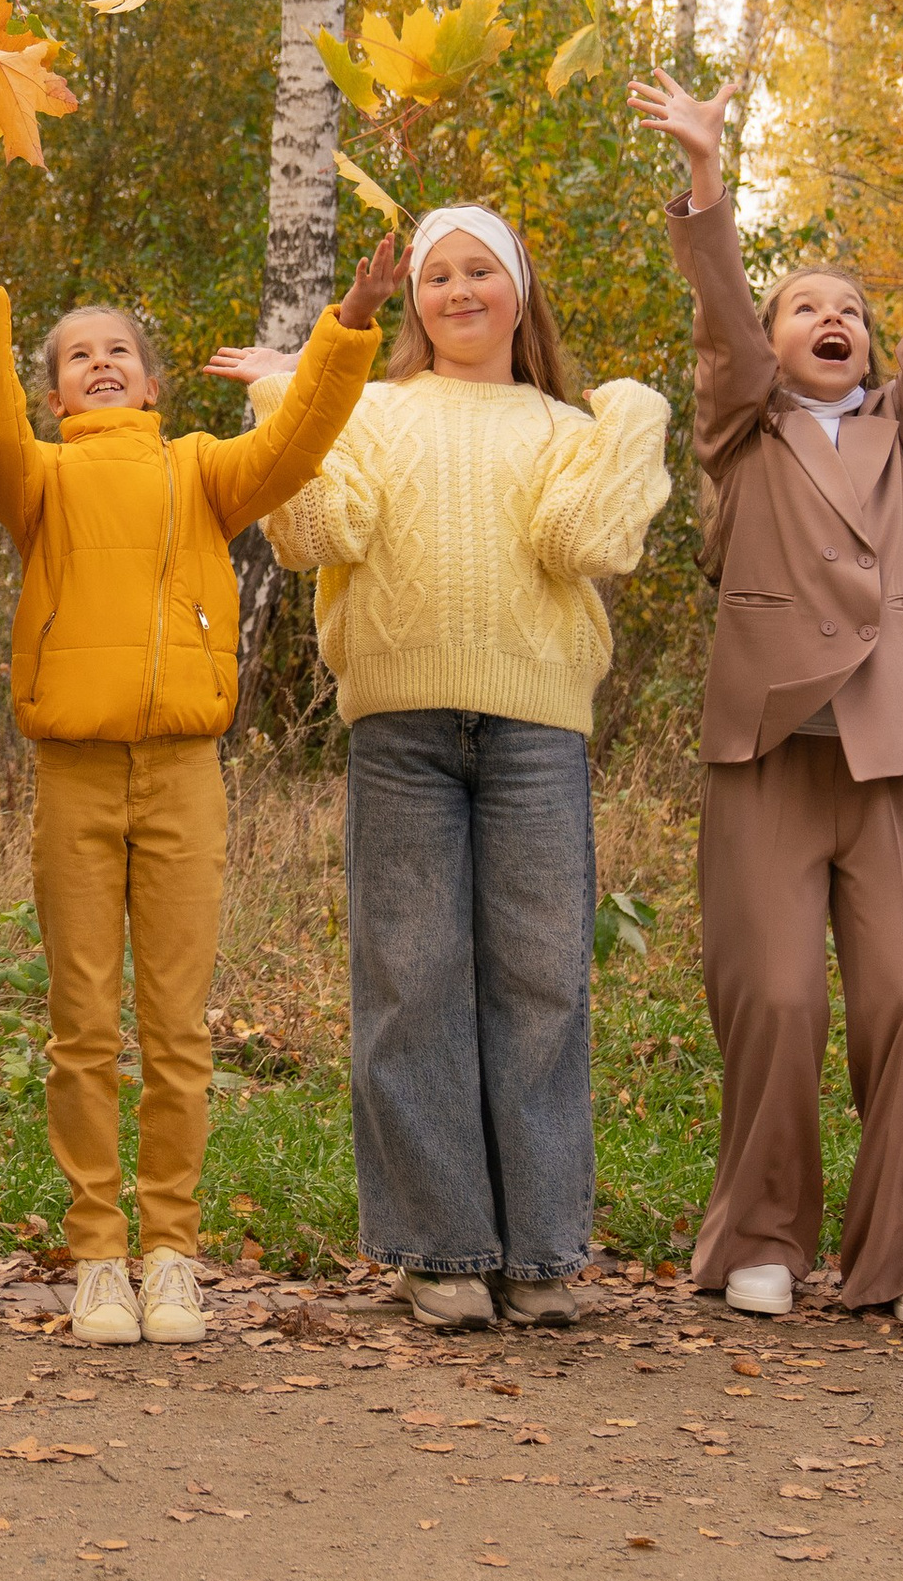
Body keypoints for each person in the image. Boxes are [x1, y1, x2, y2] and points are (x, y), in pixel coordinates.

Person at [221, 205, 670, 1329]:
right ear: (413, 299)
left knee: (540, 981)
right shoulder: (369, 413)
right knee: (409, 980)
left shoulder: (567, 426)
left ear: (520, 289)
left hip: (534, 732)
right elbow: (318, 534)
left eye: (481, 270)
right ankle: (441, 1250)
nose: (457, 291)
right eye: (436, 275)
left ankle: (543, 1253)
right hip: (401, 732)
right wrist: (289, 399)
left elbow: (588, 544)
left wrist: (634, 414)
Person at [0, 237, 400, 1347]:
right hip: (72, 777)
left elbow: (303, 433)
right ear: (52, 390)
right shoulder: (36, 476)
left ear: (156, 381)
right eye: (77, 356)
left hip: (182, 774)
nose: (101, 363)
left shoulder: (202, 471)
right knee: (82, 1028)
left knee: (175, 1032)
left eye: (118, 349)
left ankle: (170, 1253)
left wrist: (348, 321)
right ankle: (96, 1259)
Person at [635, 70, 903, 1330]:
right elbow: (719, 317)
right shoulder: (743, 428)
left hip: (885, 755)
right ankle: (762, 1235)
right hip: (766, 748)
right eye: (803, 307)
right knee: (772, 998)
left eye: (847, 309)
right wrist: (708, 177)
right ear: (775, 343)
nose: (827, 318)